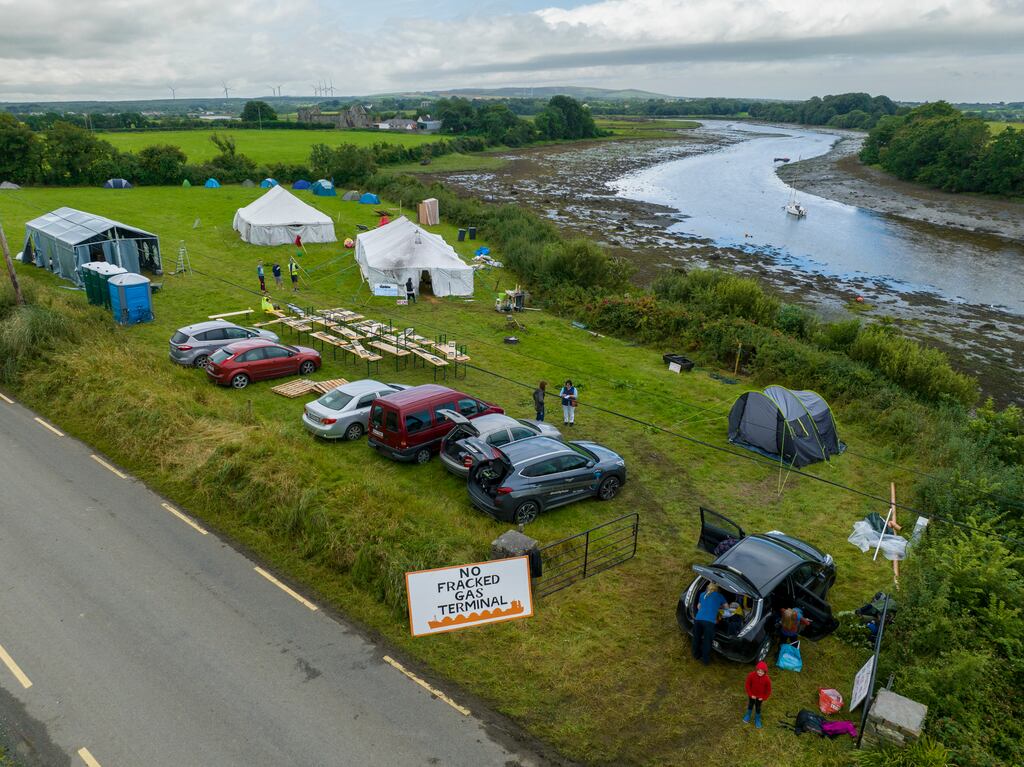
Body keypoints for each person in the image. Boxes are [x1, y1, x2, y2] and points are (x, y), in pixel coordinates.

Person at [691, 583, 726, 666]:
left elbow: (699, 606)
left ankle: (695, 655)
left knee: (696, 638)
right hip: (709, 622)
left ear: (708, 587)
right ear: (717, 589)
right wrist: (717, 607)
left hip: (698, 619)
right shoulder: (719, 596)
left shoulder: (703, 594)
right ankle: (705, 660)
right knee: (707, 641)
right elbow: (727, 607)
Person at [743, 661, 772, 728]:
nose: (760, 672)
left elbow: (768, 690)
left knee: (758, 707)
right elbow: (747, 685)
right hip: (752, 695)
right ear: (756, 669)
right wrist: (750, 694)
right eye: (758, 670)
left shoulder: (767, 679)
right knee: (750, 704)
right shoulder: (751, 675)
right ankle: (748, 715)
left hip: (760, 697)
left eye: (762, 671)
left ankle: (757, 719)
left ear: (765, 672)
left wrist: (764, 697)